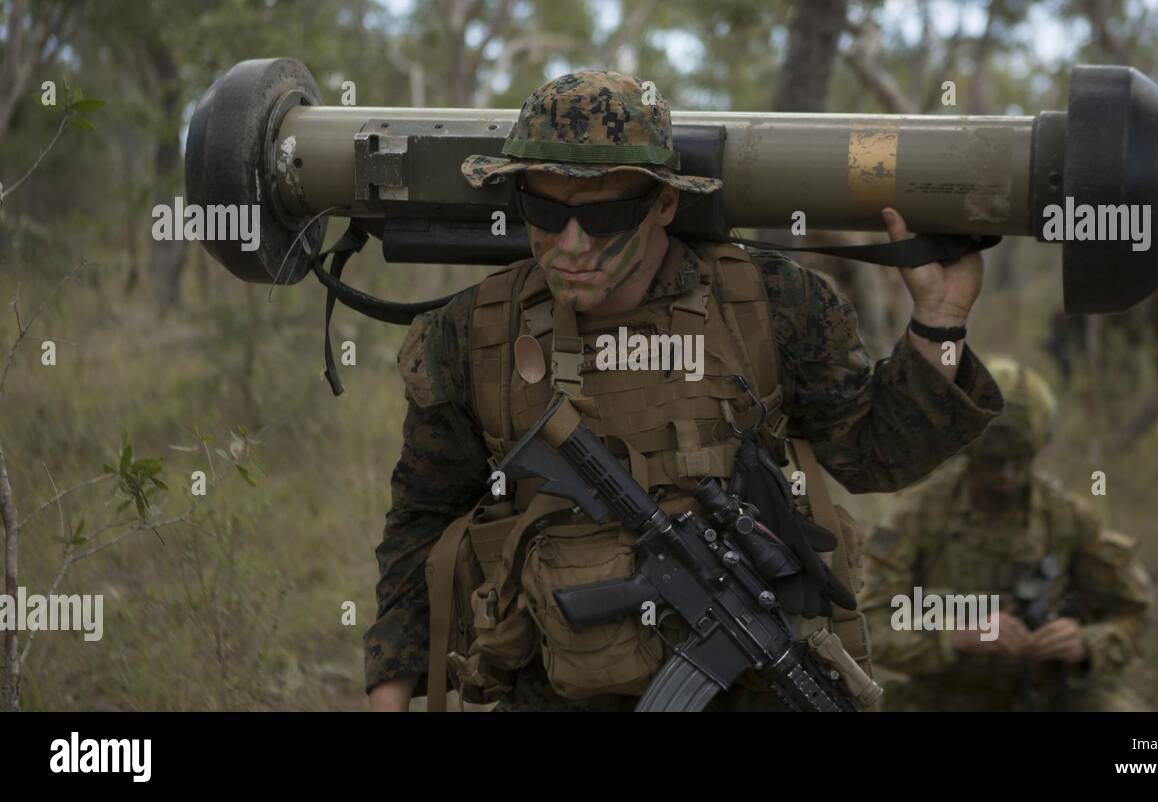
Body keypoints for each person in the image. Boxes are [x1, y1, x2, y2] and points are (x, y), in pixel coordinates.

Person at [365, 71, 1003, 712]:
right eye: (545, 212)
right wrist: (391, 689)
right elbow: (424, 517)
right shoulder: (474, 333)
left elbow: (871, 456)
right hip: (553, 688)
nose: (571, 245)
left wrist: (939, 324)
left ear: (664, 204)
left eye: (606, 215)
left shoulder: (771, 303)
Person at [860, 356, 1152, 711]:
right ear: (968, 451)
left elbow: (1131, 614)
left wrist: (1087, 643)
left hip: (1046, 694)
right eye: (993, 459)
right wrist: (955, 637)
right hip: (944, 697)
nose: (1007, 473)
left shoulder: (1067, 518)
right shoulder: (917, 517)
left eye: (1020, 459)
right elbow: (868, 628)